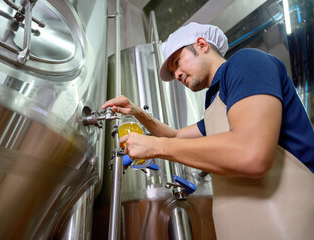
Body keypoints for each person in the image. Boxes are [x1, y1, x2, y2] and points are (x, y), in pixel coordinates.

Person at [102, 22, 314, 240]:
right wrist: (137, 112)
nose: (176, 75)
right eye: (173, 71)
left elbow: (251, 153)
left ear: (202, 45)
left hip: (289, 226)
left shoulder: (247, 63)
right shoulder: (216, 101)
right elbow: (174, 135)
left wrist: (156, 147)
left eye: (177, 62)